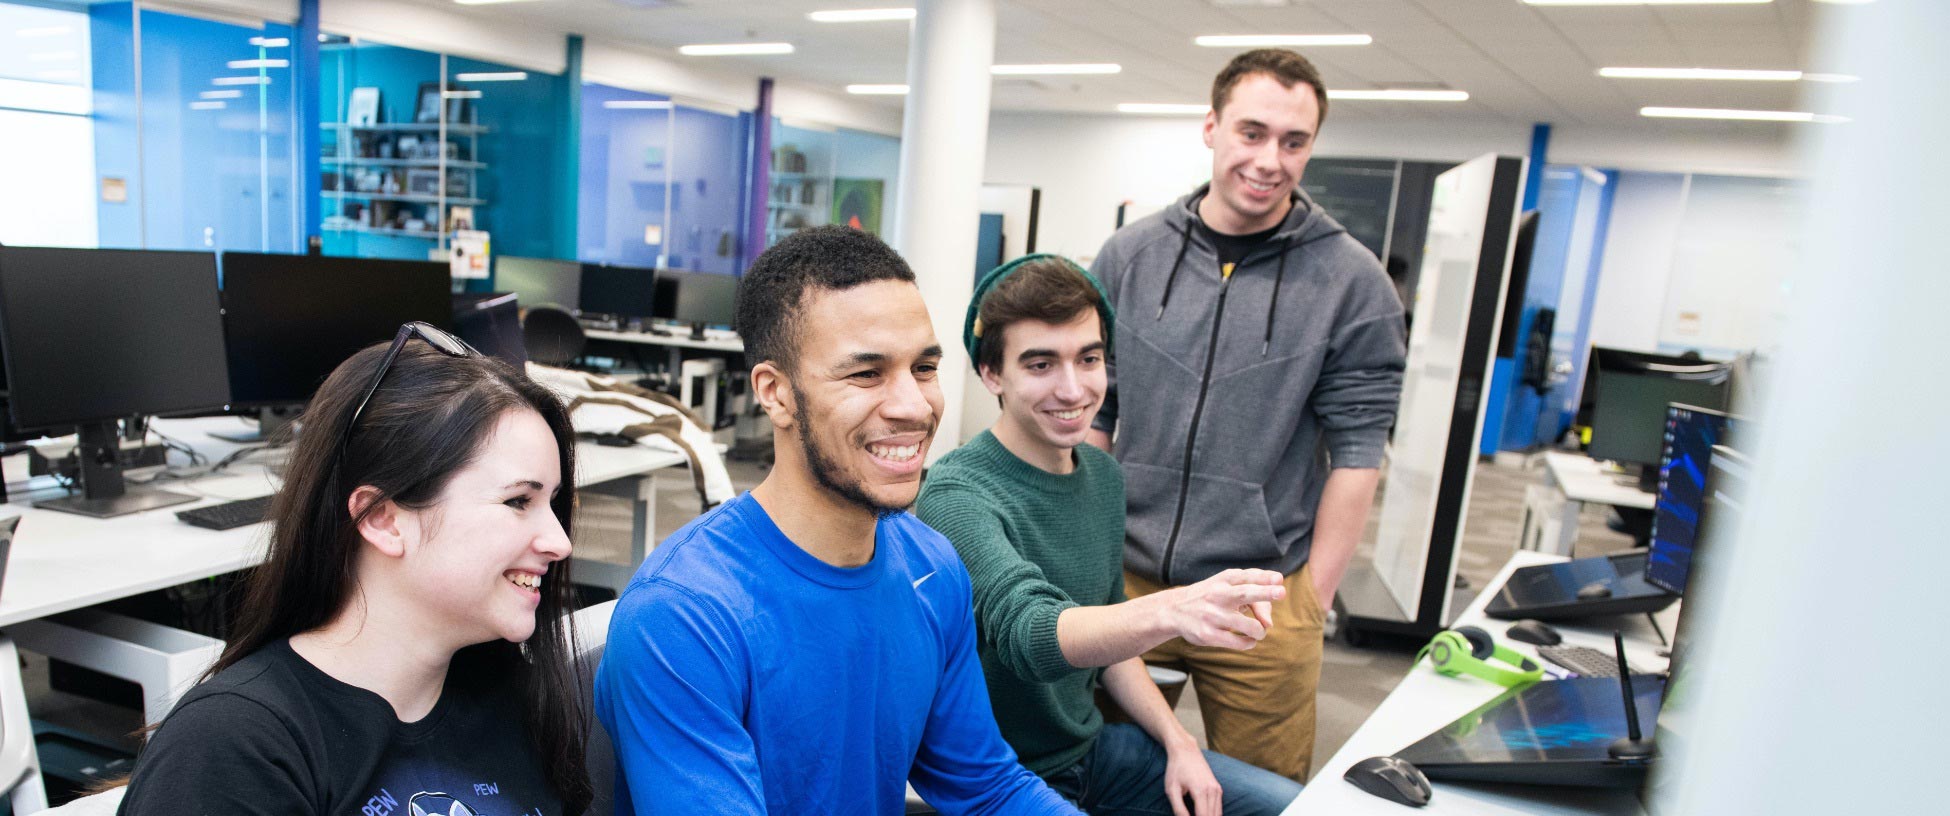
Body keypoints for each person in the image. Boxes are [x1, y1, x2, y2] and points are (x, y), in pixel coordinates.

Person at [595, 226, 1076, 815]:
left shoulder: (932, 567)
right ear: (776, 394)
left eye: (923, 367)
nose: (914, 406)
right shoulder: (683, 614)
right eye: (866, 374)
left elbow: (989, 789)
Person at [1085, 48, 1408, 781]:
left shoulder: (1352, 282)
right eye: (1253, 132)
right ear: (1211, 127)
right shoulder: (1131, 256)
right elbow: (1095, 416)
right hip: (1125, 578)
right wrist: (1088, 545)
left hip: (1262, 595)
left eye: (1294, 142)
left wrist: (1311, 599)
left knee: (1262, 793)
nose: (1270, 159)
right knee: (1093, 771)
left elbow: (1359, 452)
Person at [120, 322, 592, 815]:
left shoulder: (509, 697)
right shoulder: (231, 751)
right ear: (383, 519)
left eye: (552, 504)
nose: (559, 543)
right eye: (519, 500)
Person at [916, 255, 1304, 816]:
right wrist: (1174, 609)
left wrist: (1179, 742)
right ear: (992, 374)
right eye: (1041, 364)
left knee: (1295, 805)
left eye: (1089, 359)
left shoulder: (1102, 476)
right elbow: (1031, 635)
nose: (1073, 389)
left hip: (1093, 752)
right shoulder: (958, 493)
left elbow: (1109, 636)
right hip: (1003, 777)